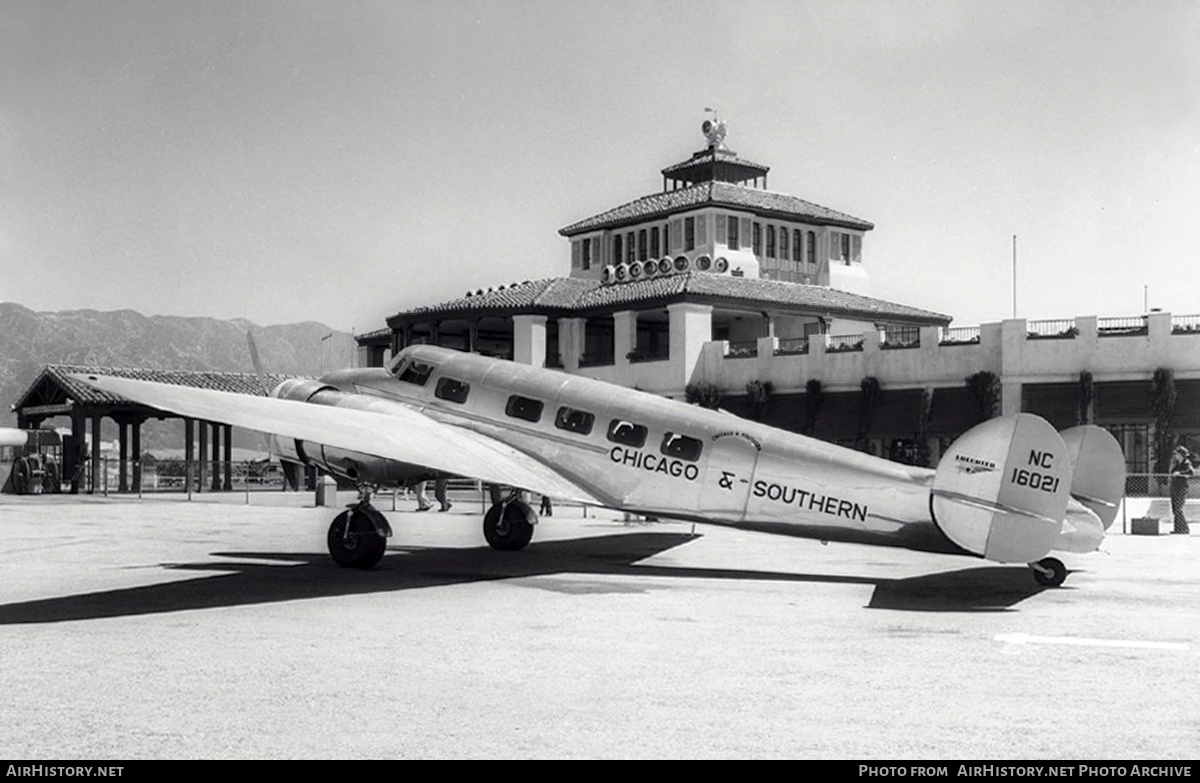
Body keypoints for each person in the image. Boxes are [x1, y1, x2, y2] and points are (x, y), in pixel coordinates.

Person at [1169, 446, 1193, 534]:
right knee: (1175, 508)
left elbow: (1190, 473)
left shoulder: (1186, 463)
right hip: (1175, 488)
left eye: (1177, 454)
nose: (1176, 455)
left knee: (1178, 508)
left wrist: (1179, 474)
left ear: (1181, 455)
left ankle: (1184, 528)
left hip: (1181, 488)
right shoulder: (1178, 464)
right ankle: (1178, 529)